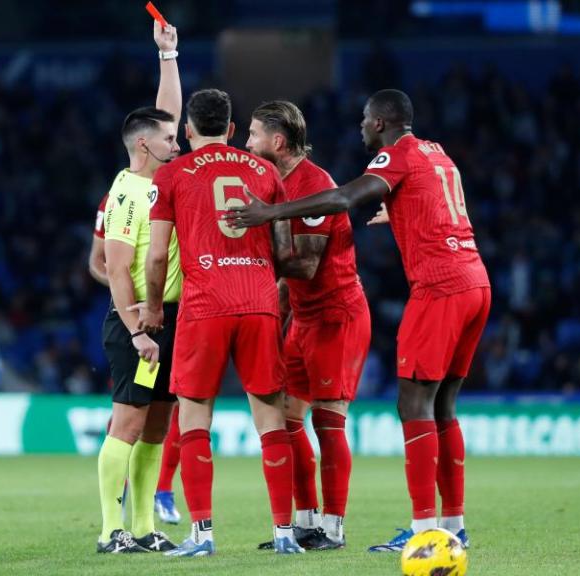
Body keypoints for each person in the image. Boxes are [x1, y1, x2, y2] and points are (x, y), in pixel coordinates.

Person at [226, 89, 491, 552]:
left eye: (366, 120)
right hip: (474, 280)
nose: (361, 127)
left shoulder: (398, 155)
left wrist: (269, 214)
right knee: (443, 407)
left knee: (414, 405)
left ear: (383, 124)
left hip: (438, 287)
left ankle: (425, 528)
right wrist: (403, 209)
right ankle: (452, 524)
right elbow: (438, 195)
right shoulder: (436, 152)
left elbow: (346, 197)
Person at [137, 88, 303, 557]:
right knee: (270, 419)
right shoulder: (266, 171)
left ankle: (202, 534)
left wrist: (152, 308)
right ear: (231, 130)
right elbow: (286, 249)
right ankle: (284, 533)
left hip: (204, 303)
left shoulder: (171, 175)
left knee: (193, 418)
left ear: (187, 130)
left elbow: (154, 258)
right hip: (258, 302)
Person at [245, 100, 371, 551]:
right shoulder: (278, 185)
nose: (247, 143)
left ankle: (333, 528)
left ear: (278, 142)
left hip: (336, 317)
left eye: (254, 135)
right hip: (302, 319)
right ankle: (305, 521)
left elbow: (308, 265)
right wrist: (275, 316)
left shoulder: (313, 184)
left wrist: (254, 263)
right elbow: (289, 278)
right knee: (287, 418)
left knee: (328, 422)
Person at [95, 19, 183, 554]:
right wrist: (137, 330)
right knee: (127, 425)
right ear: (146, 146)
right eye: (170, 139)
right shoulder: (129, 192)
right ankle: (111, 531)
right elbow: (116, 266)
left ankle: (146, 527)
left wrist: (168, 56)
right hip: (141, 326)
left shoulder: (159, 183)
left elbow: (165, 113)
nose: (179, 141)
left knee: (156, 430)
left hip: (169, 319)